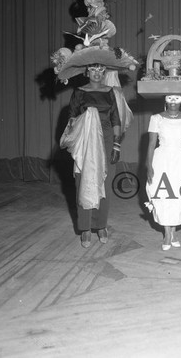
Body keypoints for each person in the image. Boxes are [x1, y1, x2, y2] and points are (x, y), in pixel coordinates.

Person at [61, 63, 121, 248]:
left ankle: (101, 226)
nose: (97, 73)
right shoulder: (79, 92)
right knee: (83, 182)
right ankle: (85, 229)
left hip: (107, 138)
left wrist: (117, 145)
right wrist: (75, 140)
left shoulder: (110, 91)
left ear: (105, 72)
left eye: (101, 70)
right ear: (87, 72)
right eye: (93, 70)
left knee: (104, 182)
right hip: (86, 139)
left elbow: (115, 118)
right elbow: (72, 118)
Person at [145, 94, 181, 250]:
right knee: (162, 195)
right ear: (165, 99)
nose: (173, 102)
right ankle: (167, 234)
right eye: (170, 98)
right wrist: (149, 166)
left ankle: (174, 232)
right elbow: (151, 144)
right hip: (161, 159)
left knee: (179, 195)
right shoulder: (156, 119)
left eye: (177, 98)